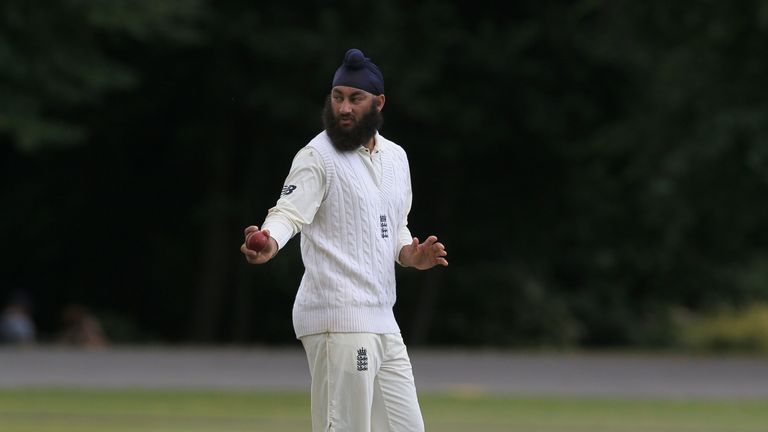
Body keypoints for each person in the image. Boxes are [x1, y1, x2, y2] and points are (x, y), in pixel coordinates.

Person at [241, 48, 448, 432]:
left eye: (355, 99)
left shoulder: (396, 158)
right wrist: (267, 242)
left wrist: (409, 255)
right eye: (338, 98)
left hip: (383, 318)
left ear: (379, 102)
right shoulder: (318, 155)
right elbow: (288, 212)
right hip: (338, 317)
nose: (344, 108)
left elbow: (395, 225)